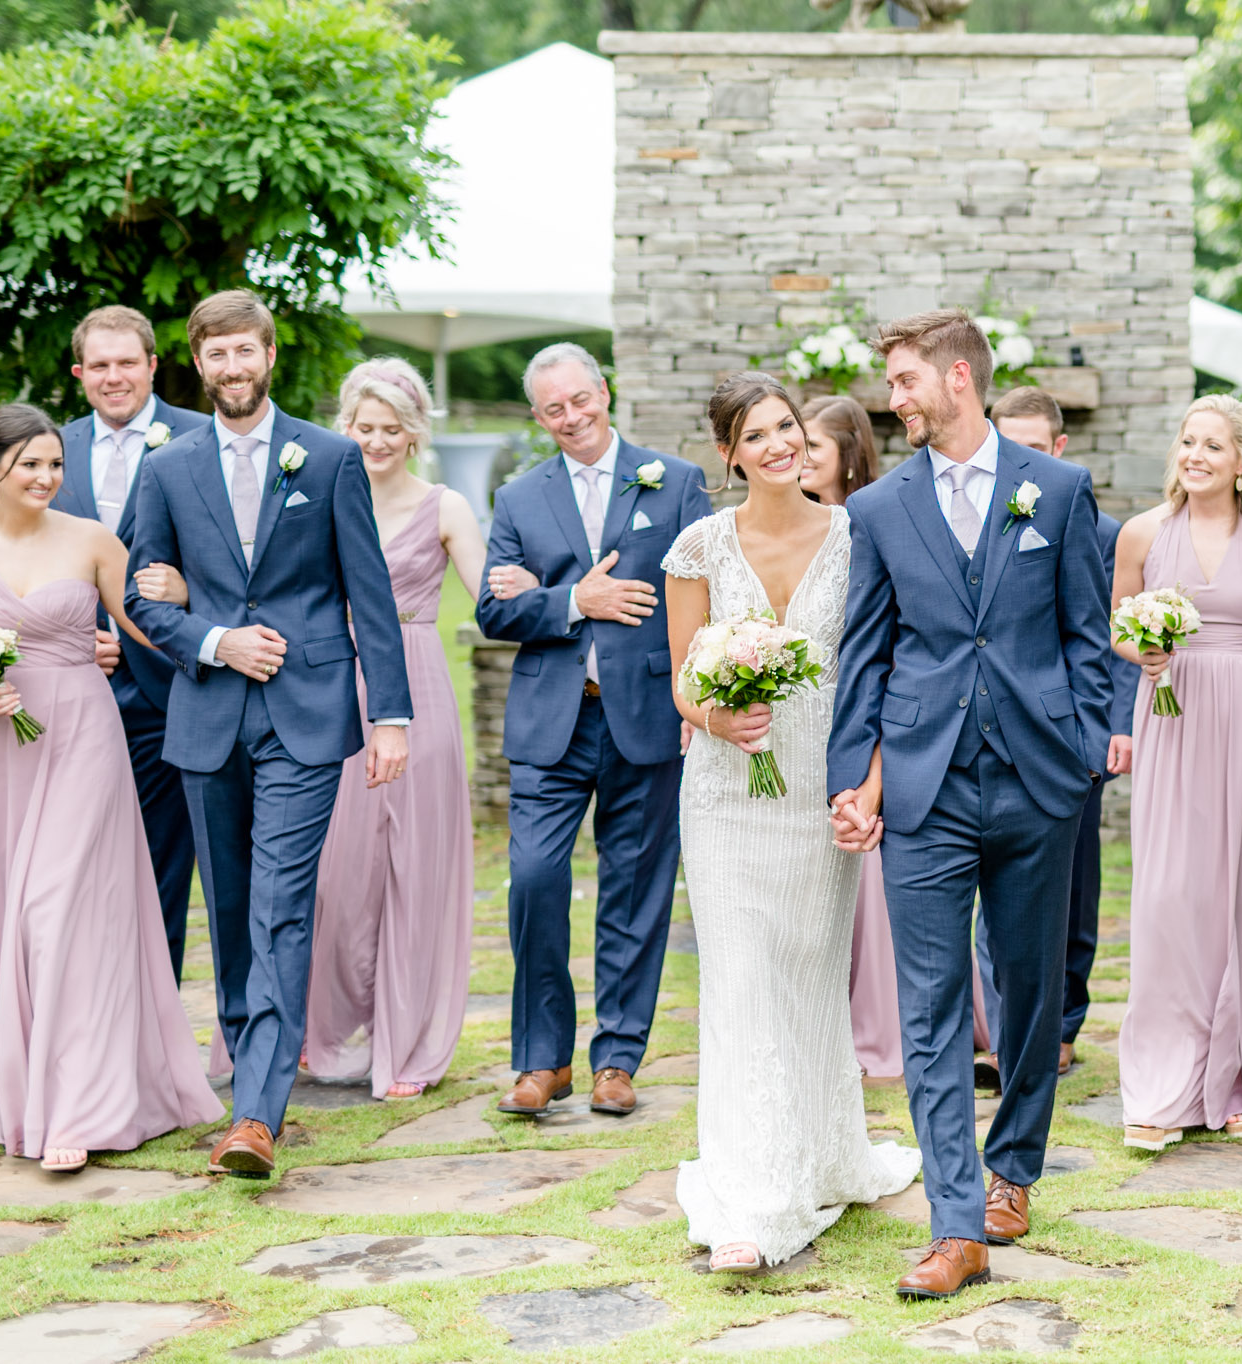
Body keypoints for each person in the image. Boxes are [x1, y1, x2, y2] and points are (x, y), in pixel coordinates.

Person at [827, 309, 1112, 1298]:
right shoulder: (879, 509)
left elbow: (1088, 633)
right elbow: (863, 651)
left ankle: (1014, 1165)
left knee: (1030, 996)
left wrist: (1081, 746)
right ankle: (955, 1222)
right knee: (933, 1000)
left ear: (957, 377)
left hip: (1039, 777)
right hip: (923, 780)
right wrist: (848, 773)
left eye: (903, 380)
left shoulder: (1060, 491)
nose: (892, 398)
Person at [0, 404, 221, 1170]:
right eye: (29, 463)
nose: (46, 477)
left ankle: (79, 1108)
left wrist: (191, 600)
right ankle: (15, 1087)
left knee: (56, 911)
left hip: (83, 741)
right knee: (4, 916)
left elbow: (146, 624)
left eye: (55, 464)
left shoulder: (93, 541)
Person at [135, 359, 485, 1102]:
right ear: (346, 426)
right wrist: (193, 599)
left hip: (396, 683)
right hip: (301, 687)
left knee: (402, 873)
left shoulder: (424, 501)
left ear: (415, 434)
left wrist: (557, 597)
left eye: (393, 428)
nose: (378, 439)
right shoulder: (298, 474)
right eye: (366, 426)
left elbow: (481, 601)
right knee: (324, 886)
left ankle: (400, 1043)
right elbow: (261, 580)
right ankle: (296, 1036)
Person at [124, 290, 412, 1176]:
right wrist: (214, 639)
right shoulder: (166, 469)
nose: (233, 369)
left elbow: (370, 591)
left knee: (284, 902)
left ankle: (255, 1115)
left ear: (270, 356)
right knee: (233, 911)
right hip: (208, 714)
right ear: (198, 364)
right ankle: (252, 1069)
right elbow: (141, 593)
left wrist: (389, 714)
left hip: (307, 713)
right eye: (217, 357)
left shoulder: (327, 458)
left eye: (246, 352)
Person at [663, 373, 920, 1273]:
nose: (779, 445)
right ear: (728, 453)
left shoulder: (859, 539)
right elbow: (683, 680)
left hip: (819, 789)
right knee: (738, 977)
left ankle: (820, 1151)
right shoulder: (698, 546)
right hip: (725, 797)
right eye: (757, 434)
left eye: (789, 429)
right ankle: (756, 1197)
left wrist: (869, 790)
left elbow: (885, 674)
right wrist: (717, 716)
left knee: (809, 975)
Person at [477, 343, 711, 1121]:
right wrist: (574, 600)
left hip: (645, 714)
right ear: (538, 416)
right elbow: (493, 610)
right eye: (553, 408)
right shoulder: (516, 498)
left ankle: (617, 1056)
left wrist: (695, 699)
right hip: (552, 718)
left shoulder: (673, 482)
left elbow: (703, 594)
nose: (571, 417)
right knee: (536, 881)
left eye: (580, 399)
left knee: (636, 888)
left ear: (604, 392)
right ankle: (542, 1060)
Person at [1110, 394, 1242, 1149]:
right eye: (1188, 442)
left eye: (1213, 446)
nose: (1195, 456)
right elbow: (1117, 623)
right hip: (1172, 717)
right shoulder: (1142, 533)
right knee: (1172, 895)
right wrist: (1144, 650)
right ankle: (1166, 1081)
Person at [801, 395, 996, 1079]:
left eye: (812, 448)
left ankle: (888, 1021)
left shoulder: (882, 513)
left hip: (896, 722)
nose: (798, 457)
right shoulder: (825, 521)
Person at [973, 386, 1140, 1087]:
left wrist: (1109, 727)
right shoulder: (967, 520)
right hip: (986, 735)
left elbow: (1111, 637)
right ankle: (1002, 1028)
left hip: (1068, 735)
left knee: (1071, 886)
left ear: (1059, 447)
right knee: (988, 884)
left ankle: (1064, 1020)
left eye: (1035, 446)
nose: (1023, 459)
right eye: (1011, 443)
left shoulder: (1097, 529)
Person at [50, 306, 207, 981]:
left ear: (151, 365)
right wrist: (68, 635)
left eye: (127, 363)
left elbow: (245, 566)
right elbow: (18, 562)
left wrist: (190, 593)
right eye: (100, 366)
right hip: (71, 693)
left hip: (173, 687)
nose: (114, 377)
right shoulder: (50, 449)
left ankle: (155, 1022)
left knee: (164, 870)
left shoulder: (203, 440)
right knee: (73, 864)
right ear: (81, 373)